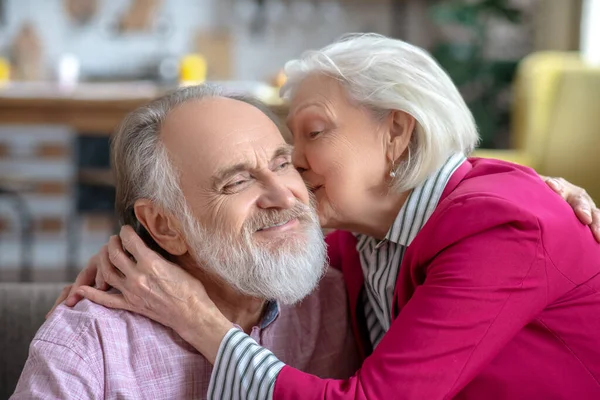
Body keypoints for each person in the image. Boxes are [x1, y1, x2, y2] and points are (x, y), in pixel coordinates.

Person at [56, 34, 600, 399]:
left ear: (397, 132)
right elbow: (245, 240)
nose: (294, 163)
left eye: (312, 133)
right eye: (289, 141)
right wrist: (136, 251)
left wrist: (199, 320)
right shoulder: (364, 241)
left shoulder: (507, 227)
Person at [11, 87, 360, 399]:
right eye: (237, 182)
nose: (284, 195)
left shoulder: (338, 299)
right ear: (164, 226)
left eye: (283, 163)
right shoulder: (90, 343)